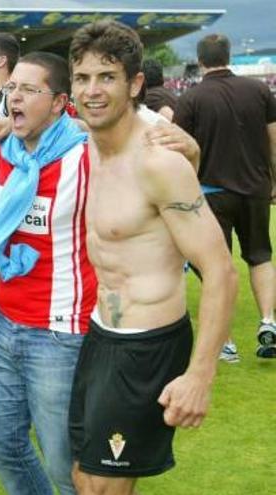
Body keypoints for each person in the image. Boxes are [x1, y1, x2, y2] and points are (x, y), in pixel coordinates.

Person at [68, 21, 237, 494]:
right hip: (102, 335)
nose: (93, 90)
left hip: (146, 347)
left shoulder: (158, 159)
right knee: (82, 476)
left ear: (135, 83)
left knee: (102, 488)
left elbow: (222, 272)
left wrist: (199, 377)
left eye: (107, 77)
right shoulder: (91, 140)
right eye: (83, 78)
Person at [0, 37, 96, 493]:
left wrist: (183, 144)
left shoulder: (88, 156)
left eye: (29, 90)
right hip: (1, 323)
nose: (14, 97)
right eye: (12, 87)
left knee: (63, 461)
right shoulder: (9, 149)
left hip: (60, 336)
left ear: (60, 104)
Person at [174, 33, 276, 360]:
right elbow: (274, 140)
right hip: (257, 189)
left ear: (201, 60)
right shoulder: (260, 91)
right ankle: (269, 322)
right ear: (228, 55)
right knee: (260, 255)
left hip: (211, 193)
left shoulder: (191, 98)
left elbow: (180, 150)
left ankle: (227, 342)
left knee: (216, 266)